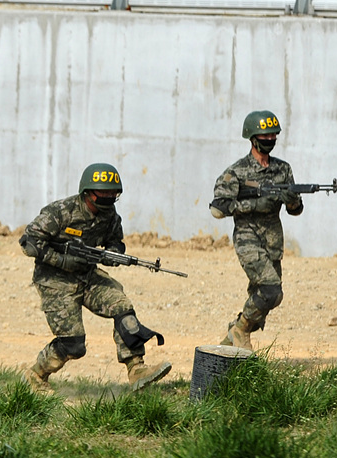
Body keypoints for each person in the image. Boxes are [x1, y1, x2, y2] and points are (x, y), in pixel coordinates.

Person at [19, 163, 172, 393]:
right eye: (104, 195)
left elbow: (115, 241)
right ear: (87, 193)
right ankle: (35, 376)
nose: (109, 199)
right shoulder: (60, 212)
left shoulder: (109, 215)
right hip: (54, 280)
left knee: (122, 307)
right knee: (73, 344)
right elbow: (29, 242)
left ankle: (136, 369)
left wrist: (113, 254)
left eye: (113, 195)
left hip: (87, 274)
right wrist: (61, 260)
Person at [209, 110, 303, 349]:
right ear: (252, 138)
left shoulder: (283, 170)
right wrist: (252, 203)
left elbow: (296, 210)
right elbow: (218, 209)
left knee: (272, 297)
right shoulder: (237, 172)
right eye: (265, 136)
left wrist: (291, 199)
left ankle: (230, 343)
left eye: (273, 136)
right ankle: (240, 330)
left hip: (272, 241)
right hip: (247, 237)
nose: (270, 140)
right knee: (270, 289)